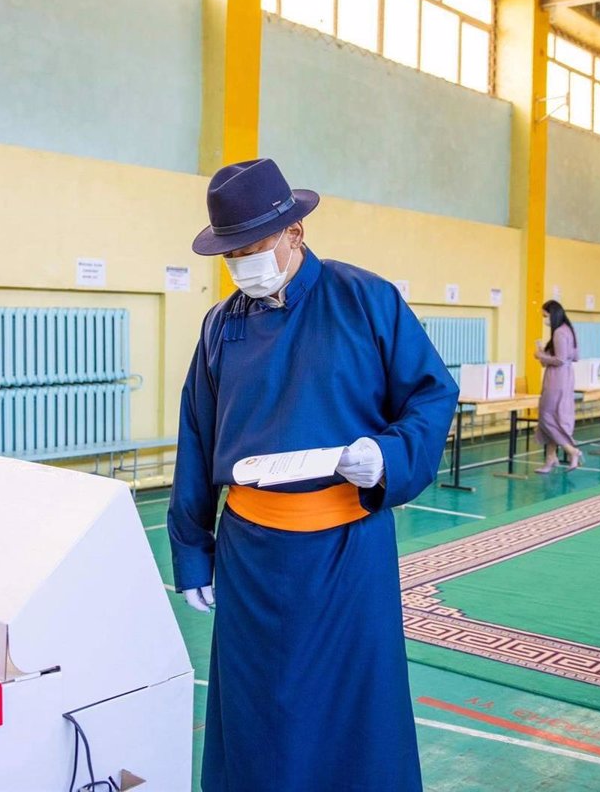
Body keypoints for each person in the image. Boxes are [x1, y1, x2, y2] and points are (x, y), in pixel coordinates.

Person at [167, 158, 458, 792]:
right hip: (250, 558)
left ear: (296, 234)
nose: (244, 266)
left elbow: (432, 395)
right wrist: (193, 552)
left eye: (254, 249)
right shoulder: (221, 326)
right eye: (232, 255)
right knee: (256, 718)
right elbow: (195, 435)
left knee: (355, 715)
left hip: (346, 552)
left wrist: (389, 454)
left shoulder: (365, 300)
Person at [533, 299, 583, 472]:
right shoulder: (570, 330)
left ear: (552, 314)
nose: (544, 319)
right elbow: (574, 357)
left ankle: (571, 450)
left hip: (556, 379)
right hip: (567, 378)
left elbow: (560, 359)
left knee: (546, 416)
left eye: (545, 315)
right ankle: (550, 458)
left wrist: (540, 355)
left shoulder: (559, 333)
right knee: (555, 417)